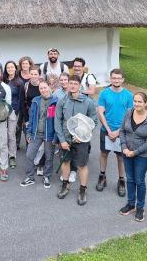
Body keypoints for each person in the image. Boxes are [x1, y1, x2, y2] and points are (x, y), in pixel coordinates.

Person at [55, 75, 98, 204]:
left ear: (80, 86)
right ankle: (65, 184)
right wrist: (62, 140)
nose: (72, 86)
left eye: (75, 83)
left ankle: (83, 189)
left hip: (81, 141)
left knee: (82, 165)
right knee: (66, 162)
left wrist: (81, 136)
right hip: (65, 139)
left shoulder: (88, 102)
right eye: (70, 83)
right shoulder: (62, 101)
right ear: (67, 85)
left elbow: (93, 121)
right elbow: (57, 120)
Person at [119, 92, 147, 222]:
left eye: (140, 101)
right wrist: (124, 147)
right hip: (126, 152)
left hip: (142, 156)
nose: (136, 104)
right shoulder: (129, 113)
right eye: (135, 101)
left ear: (145, 103)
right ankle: (130, 204)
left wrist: (134, 152)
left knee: (139, 181)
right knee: (130, 179)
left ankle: (140, 207)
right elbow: (122, 131)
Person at [96, 68, 133, 196]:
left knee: (120, 157)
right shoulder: (104, 94)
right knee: (104, 154)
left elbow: (129, 116)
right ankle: (102, 176)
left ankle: (121, 180)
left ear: (122, 79)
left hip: (121, 133)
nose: (116, 80)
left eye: (119, 78)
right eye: (114, 78)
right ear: (110, 79)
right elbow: (100, 112)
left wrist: (118, 132)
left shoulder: (128, 95)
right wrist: (108, 130)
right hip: (105, 130)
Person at [20, 81, 57, 189]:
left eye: (45, 88)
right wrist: (29, 132)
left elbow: (58, 120)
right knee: (29, 155)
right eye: (41, 89)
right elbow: (31, 119)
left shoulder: (56, 101)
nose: (43, 90)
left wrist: (56, 137)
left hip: (49, 135)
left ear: (49, 87)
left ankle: (47, 176)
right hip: (36, 134)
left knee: (49, 157)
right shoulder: (36, 101)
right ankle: (30, 177)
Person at [3, 61, 22, 168]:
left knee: (11, 135)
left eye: (12, 67)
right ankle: (4, 154)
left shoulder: (19, 82)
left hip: (13, 111)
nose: (10, 69)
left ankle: (12, 156)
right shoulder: (3, 80)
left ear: (15, 69)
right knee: (2, 134)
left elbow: (20, 99)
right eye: (8, 67)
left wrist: (16, 111)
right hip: (2, 111)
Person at [17, 66, 41, 151]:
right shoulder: (25, 86)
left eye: (36, 74)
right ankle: (30, 153)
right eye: (32, 74)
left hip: (41, 113)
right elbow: (22, 103)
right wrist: (26, 118)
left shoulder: (43, 86)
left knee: (40, 134)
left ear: (39, 75)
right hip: (29, 113)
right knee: (29, 134)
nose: (33, 76)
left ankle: (40, 157)